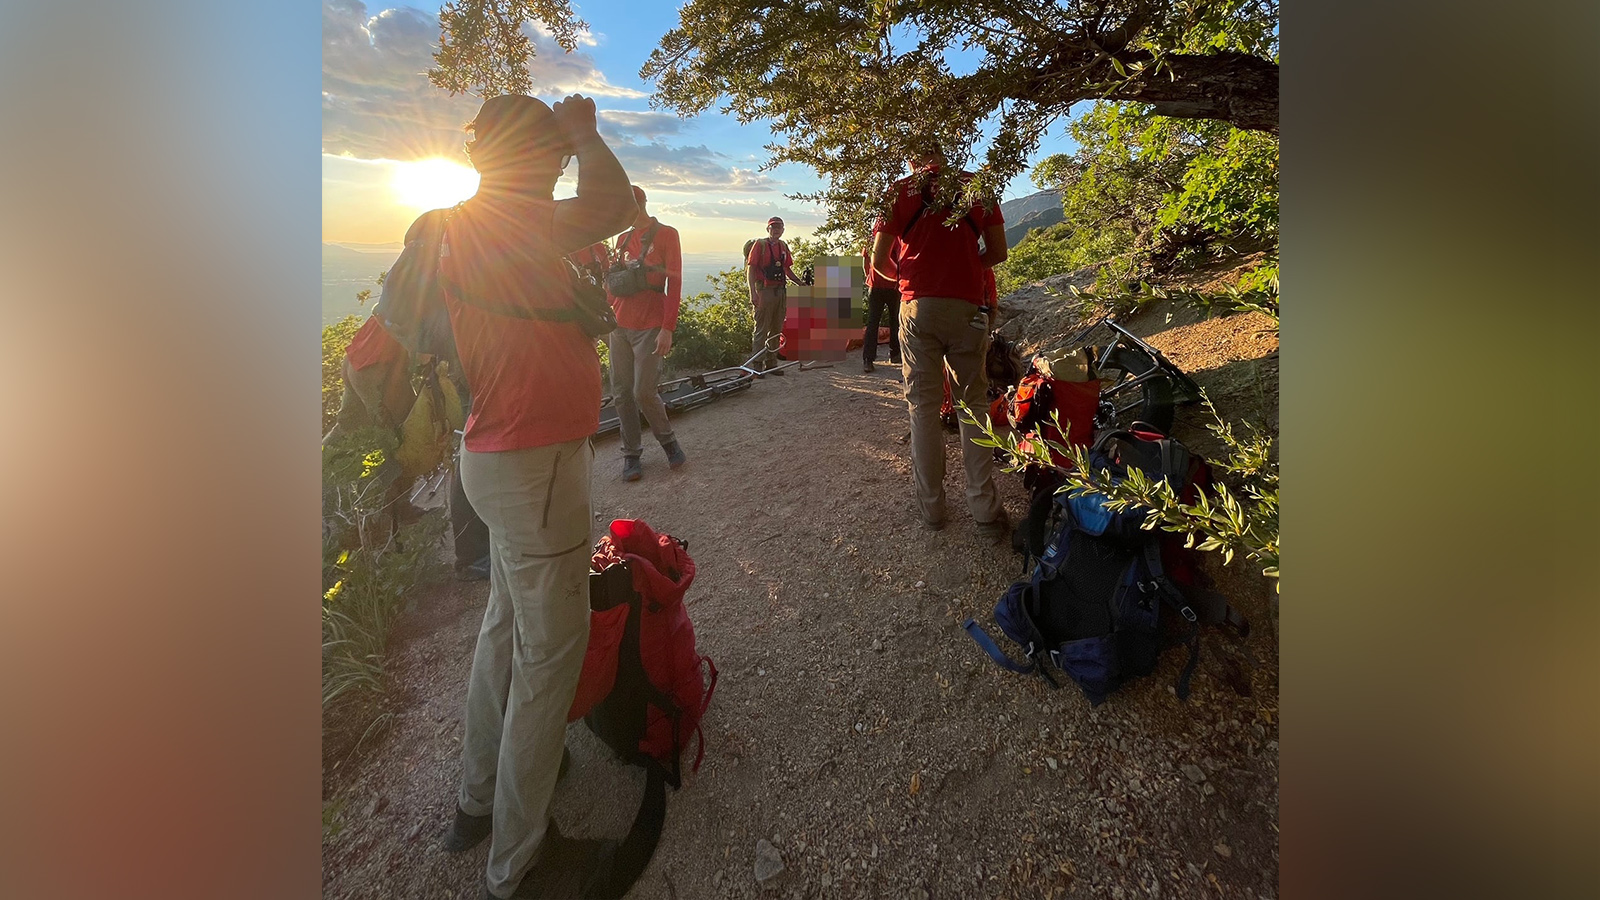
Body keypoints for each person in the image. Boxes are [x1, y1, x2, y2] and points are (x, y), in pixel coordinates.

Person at [432, 92, 637, 900]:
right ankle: (518, 865)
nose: (557, 163)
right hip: (533, 461)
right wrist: (585, 133)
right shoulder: (512, 220)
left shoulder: (453, 225)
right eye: (549, 152)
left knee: (505, 627)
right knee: (549, 656)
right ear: (530, 158)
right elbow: (613, 201)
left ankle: (478, 803)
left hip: (490, 455)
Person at [871, 151, 1011, 540]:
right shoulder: (976, 186)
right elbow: (998, 252)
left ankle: (932, 510)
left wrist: (914, 276)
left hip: (918, 309)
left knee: (923, 409)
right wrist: (964, 265)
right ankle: (984, 510)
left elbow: (880, 261)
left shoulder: (898, 191)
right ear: (946, 155)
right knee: (973, 406)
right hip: (967, 307)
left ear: (915, 159)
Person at [606, 185, 687, 481]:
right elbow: (613, 283)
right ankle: (631, 455)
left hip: (650, 326)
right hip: (619, 326)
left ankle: (668, 442)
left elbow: (674, 283)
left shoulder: (666, 234)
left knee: (644, 391)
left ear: (638, 204)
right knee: (622, 393)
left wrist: (668, 328)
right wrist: (605, 318)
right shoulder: (623, 239)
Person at [747, 215, 803, 374]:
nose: (776, 230)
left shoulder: (783, 246)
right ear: (768, 229)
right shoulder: (760, 245)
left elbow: (787, 269)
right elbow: (750, 269)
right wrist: (753, 293)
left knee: (776, 329)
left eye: (779, 227)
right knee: (761, 329)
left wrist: (800, 284)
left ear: (783, 230)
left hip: (780, 291)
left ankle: (771, 365)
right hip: (764, 291)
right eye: (773, 227)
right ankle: (757, 366)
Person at [860, 231, 902, 373]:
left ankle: (868, 360)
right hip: (892, 285)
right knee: (894, 321)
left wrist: (869, 277)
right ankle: (894, 354)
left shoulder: (870, 238)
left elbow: (865, 261)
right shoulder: (896, 237)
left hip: (877, 285)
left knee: (873, 322)